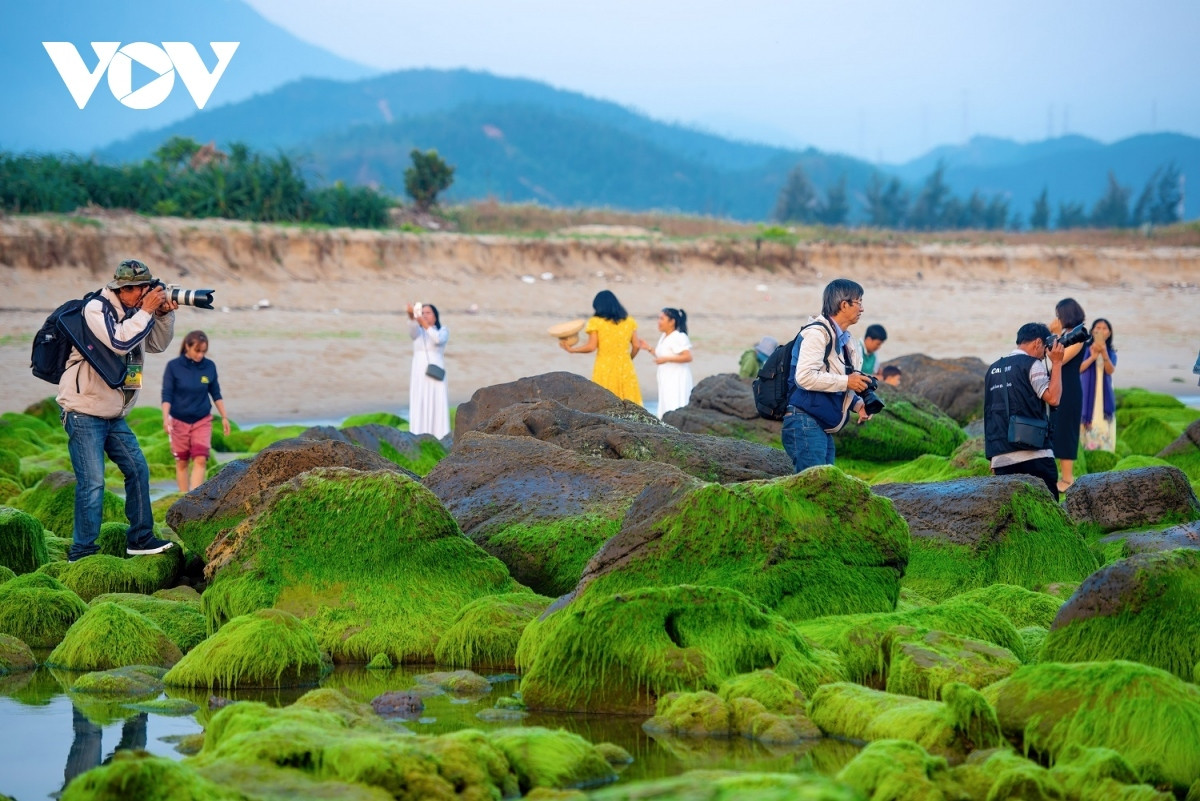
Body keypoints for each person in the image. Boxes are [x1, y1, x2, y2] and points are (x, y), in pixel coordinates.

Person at [57, 259, 177, 561]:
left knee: (138, 470)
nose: (143, 294)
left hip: (113, 414)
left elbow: (157, 345)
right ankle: (82, 552)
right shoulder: (95, 309)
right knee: (93, 482)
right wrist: (147, 311)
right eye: (138, 290)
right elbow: (119, 341)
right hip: (83, 411)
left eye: (146, 289)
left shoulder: (137, 312)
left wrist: (162, 315)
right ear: (122, 289)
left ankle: (140, 538)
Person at [781, 278, 873, 472]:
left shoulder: (847, 341)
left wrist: (858, 404)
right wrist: (848, 381)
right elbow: (805, 377)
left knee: (825, 487)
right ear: (844, 304)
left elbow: (833, 377)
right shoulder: (817, 334)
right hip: (805, 421)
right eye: (859, 302)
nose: (862, 308)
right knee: (814, 488)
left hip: (820, 423)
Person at [984, 323, 1065, 498]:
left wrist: (992, 456)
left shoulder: (992, 369)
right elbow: (1054, 398)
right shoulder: (1032, 365)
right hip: (1034, 454)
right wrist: (1057, 363)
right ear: (1037, 343)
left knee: (1014, 519)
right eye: (1045, 350)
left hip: (1001, 457)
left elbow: (989, 414)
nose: (1045, 355)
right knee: (1049, 514)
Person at [161, 331, 230, 492]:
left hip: (202, 420)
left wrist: (225, 417)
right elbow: (167, 395)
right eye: (197, 351)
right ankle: (183, 497)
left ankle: (195, 497)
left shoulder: (209, 366)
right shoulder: (174, 367)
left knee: (200, 459)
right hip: (178, 421)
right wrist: (166, 418)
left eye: (203, 352)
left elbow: (216, 393)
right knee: (182, 462)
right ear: (187, 346)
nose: (200, 355)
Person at [561, 290, 642, 404]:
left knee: (606, 403)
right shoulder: (629, 321)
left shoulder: (596, 322)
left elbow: (591, 346)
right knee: (630, 403)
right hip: (626, 366)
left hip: (605, 367)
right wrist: (629, 358)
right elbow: (637, 345)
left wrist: (573, 350)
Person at [1048, 298, 1087, 492]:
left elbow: (1059, 359)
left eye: (1059, 315)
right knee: (1056, 430)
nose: (1057, 319)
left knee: (1066, 431)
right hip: (1059, 386)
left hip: (1069, 390)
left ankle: (1068, 479)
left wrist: (1054, 334)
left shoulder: (1078, 336)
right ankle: (1058, 476)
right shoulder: (1066, 334)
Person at [638, 307, 693, 419]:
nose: (659, 322)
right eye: (659, 318)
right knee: (666, 405)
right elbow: (662, 356)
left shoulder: (679, 336)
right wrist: (648, 348)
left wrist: (666, 360)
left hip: (677, 378)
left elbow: (688, 356)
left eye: (662, 319)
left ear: (672, 321)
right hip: (666, 378)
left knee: (675, 404)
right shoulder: (664, 336)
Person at [407, 302, 450, 439]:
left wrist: (423, 323)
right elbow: (412, 330)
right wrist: (411, 314)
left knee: (437, 401)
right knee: (419, 400)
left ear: (435, 316)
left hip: (436, 372)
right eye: (423, 312)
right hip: (419, 372)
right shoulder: (418, 332)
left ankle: (440, 435)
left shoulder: (443, 330)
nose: (424, 315)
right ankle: (418, 435)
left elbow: (437, 339)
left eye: (428, 313)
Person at [1079, 318, 1117, 453]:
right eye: (1098, 327)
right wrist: (1093, 357)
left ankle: (1105, 454)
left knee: (1103, 422)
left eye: (1104, 328)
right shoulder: (1083, 348)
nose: (1101, 330)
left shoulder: (1111, 352)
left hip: (1104, 394)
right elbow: (1079, 369)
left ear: (1109, 333)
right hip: (1086, 394)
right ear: (1092, 331)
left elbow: (1110, 370)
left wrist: (1104, 352)